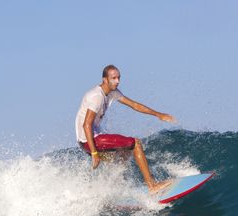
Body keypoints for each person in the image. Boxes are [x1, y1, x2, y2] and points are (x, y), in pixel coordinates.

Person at [75, 64, 176, 192]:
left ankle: (114, 188)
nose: (117, 81)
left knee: (124, 152)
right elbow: (86, 125)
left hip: (86, 140)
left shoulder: (112, 93)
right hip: (89, 139)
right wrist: (94, 153)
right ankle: (152, 186)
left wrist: (158, 114)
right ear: (105, 79)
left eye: (119, 78)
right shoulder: (97, 96)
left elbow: (134, 105)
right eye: (113, 78)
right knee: (135, 143)